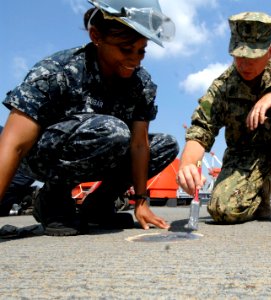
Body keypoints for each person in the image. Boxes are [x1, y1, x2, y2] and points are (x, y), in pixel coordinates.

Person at [0, 0, 179, 236]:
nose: (135, 59)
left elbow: (138, 145)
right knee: (113, 131)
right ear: (96, 36)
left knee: (164, 145)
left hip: (104, 148)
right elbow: (13, 144)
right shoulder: (58, 70)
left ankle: (98, 205)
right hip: (40, 157)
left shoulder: (140, 85)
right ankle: (52, 198)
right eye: (126, 49)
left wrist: (141, 202)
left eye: (141, 50)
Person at [177, 12, 271, 226]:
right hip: (247, 156)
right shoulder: (223, 86)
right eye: (239, 56)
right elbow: (201, 130)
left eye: (252, 58)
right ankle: (260, 192)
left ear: (270, 51)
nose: (244, 64)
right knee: (222, 210)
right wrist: (187, 166)